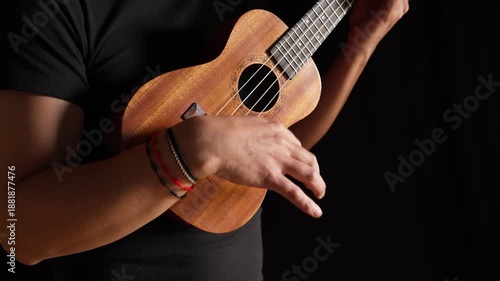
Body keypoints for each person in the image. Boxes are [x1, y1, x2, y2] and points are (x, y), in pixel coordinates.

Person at [0, 0, 409, 280]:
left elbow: (274, 137)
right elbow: (21, 228)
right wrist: (196, 149)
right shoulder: (57, 11)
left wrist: (360, 45)